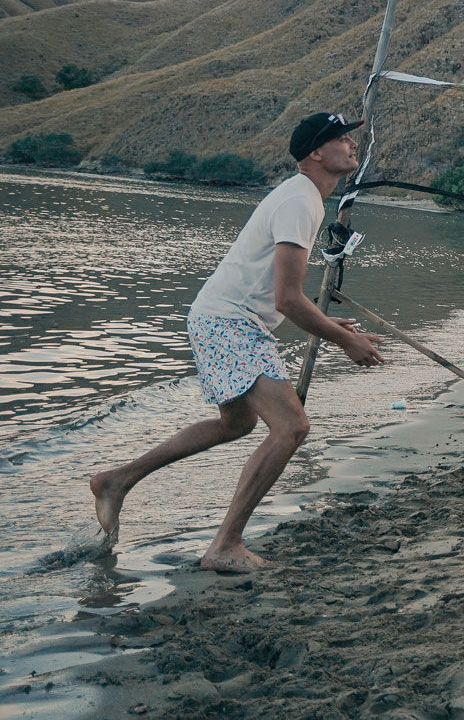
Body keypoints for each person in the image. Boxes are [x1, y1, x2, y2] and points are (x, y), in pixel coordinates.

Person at [88, 112, 386, 572]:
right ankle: (225, 544)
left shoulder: (305, 199)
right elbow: (286, 300)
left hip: (223, 319)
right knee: (292, 428)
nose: (351, 144)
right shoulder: (300, 201)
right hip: (228, 322)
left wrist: (328, 324)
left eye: (350, 137)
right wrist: (342, 341)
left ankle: (116, 480)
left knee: (236, 424)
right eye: (341, 138)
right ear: (315, 152)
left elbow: (280, 292)